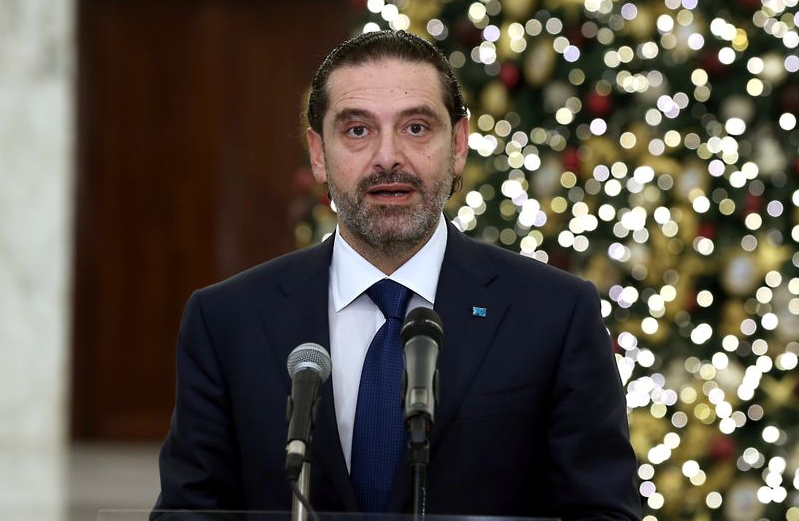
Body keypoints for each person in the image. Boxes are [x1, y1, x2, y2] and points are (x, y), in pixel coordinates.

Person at [154, 30, 642, 520]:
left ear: (458, 145)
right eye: (358, 131)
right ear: (319, 154)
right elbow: (188, 512)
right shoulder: (227, 320)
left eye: (415, 128)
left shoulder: (554, 314)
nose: (388, 157)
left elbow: (602, 512)